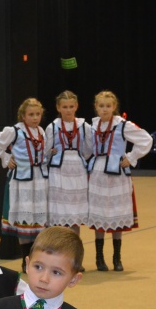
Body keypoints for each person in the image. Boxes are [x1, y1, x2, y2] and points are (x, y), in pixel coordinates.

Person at [87, 90, 152, 272]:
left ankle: (117, 257)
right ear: (96, 108)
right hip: (98, 172)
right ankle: (99, 257)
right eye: (101, 106)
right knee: (99, 213)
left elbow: (146, 140)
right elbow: (86, 147)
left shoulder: (123, 125)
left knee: (117, 211)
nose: (105, 109)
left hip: (117, 171)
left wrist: (131, 158)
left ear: (114, 107)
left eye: (108, 106)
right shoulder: (92, 126)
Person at [0, 98, 48, 272]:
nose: (35, 118)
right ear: (23, 115)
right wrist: (6, 158)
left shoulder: (41, 131)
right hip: (21, 180)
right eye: (31, 114)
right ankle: (25, 259)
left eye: (38, 114)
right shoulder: (14, 131)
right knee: (24, 220)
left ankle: (35, 259)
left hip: (38, 179)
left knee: (37, 220)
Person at [43, 90, 92, 233]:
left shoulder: (84, 126)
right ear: (58, 108)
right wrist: (52, 154)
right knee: (59, 211)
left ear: (76, 106)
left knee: (75, 212)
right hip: (58, 171)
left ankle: (74, 247)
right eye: (65, 107)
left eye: (71, 106)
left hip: (77, 171)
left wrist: (78, 157)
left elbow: (89, 149)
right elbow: (46, 150)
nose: (68, 110)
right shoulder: (52, 127)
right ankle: (58, 248)